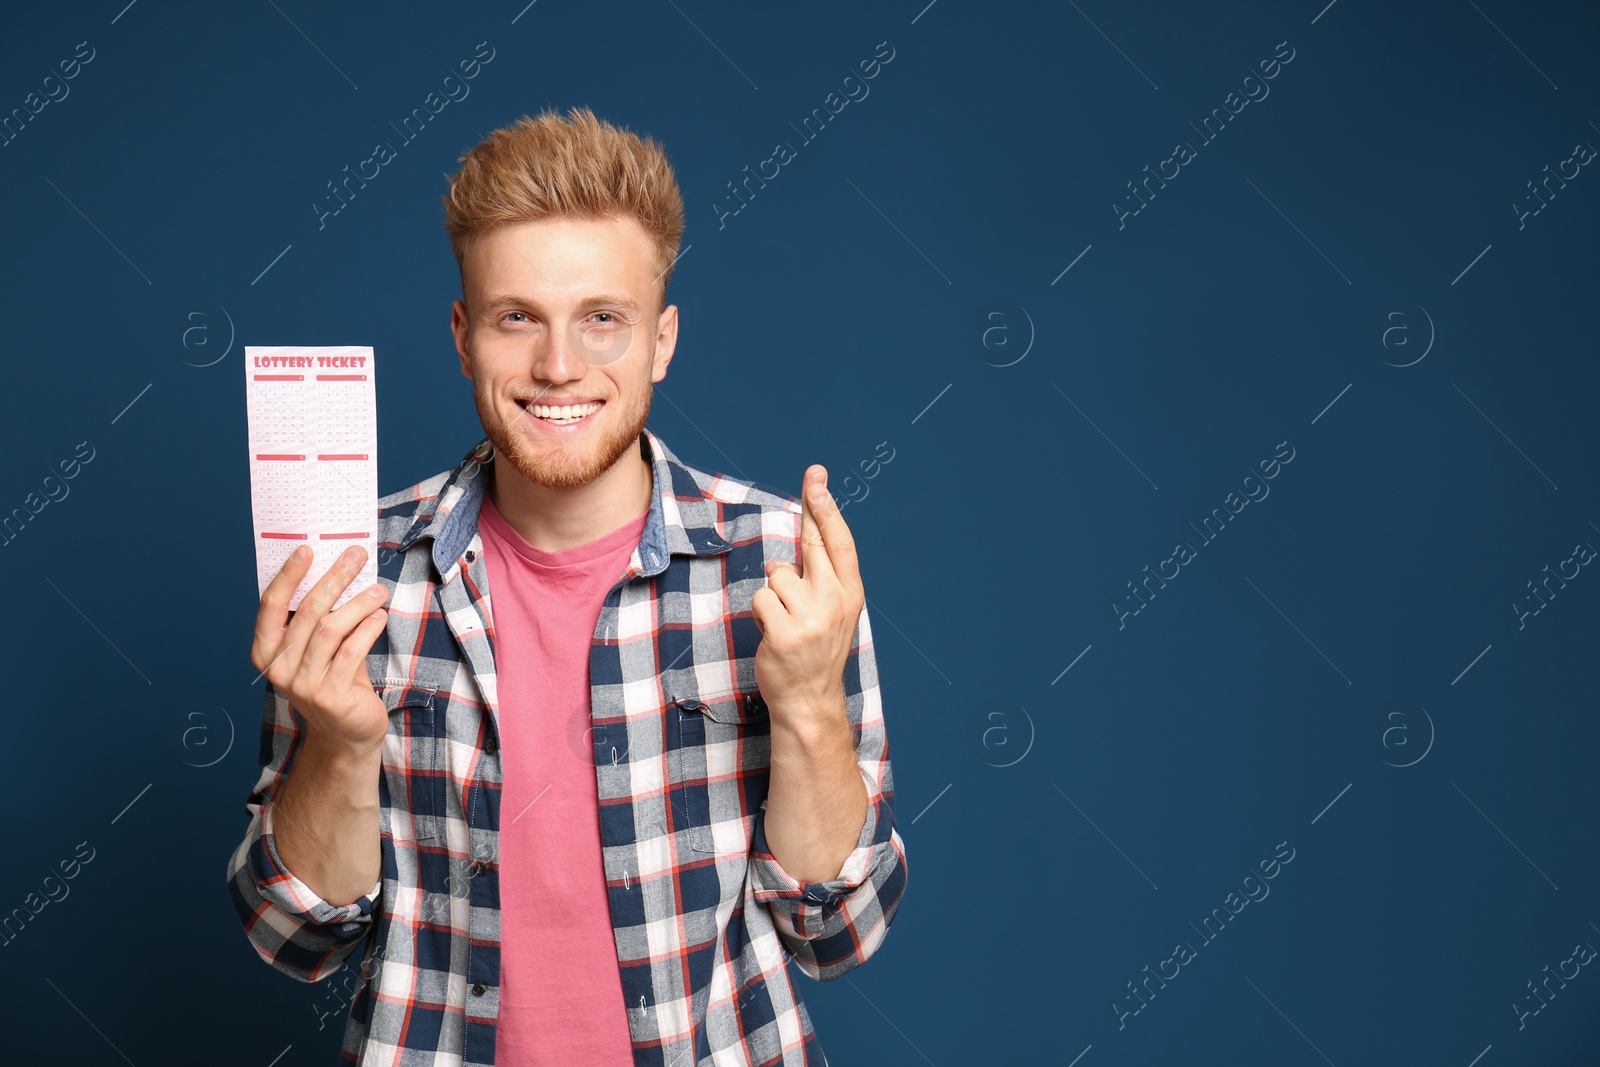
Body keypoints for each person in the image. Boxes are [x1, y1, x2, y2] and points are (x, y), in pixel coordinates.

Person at [227, 106, 907, 1067]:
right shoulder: (357, 567)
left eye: (603, 320)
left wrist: (806, 711)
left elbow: (840, 931)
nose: (558, 367)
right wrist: (338, 748)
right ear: (463, 336)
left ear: (662, 340)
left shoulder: (783, 562)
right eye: (518, 318)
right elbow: (292, 933)